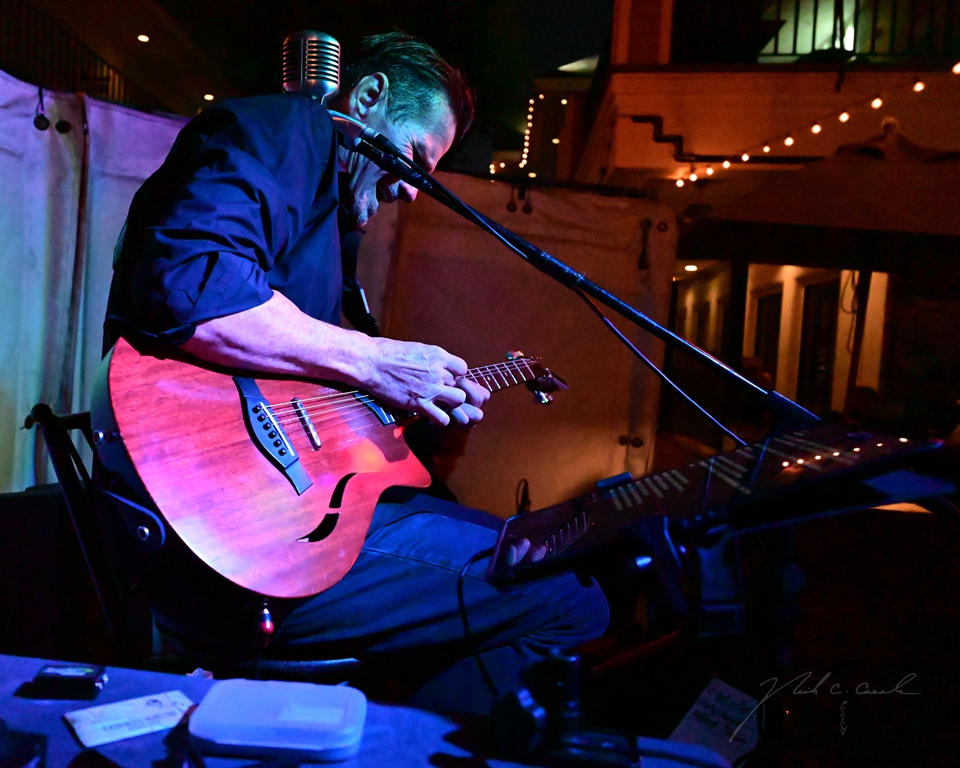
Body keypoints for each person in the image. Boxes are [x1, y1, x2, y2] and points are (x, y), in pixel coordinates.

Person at [103, 32, 608, 714]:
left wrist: (405, 404)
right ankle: (404, 746)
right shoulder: (289, 129)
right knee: (570, 597)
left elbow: (300, 386)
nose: (414, 191)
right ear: (367, 98)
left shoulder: (328, 216)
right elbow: (193, 287)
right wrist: (378, 361)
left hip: (260, 533)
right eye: (416, 160)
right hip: (234, 558)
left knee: (506, 544)